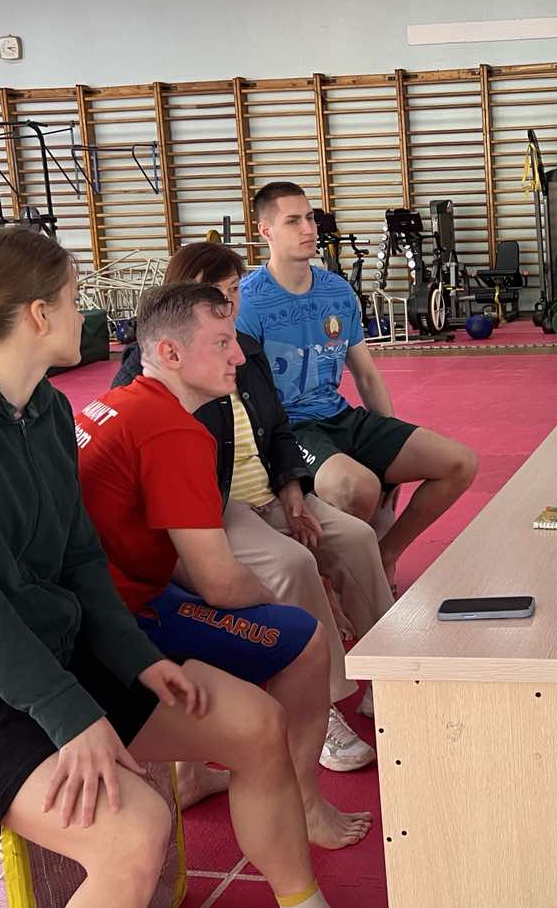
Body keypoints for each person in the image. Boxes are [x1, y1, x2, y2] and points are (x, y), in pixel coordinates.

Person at [0, 226, 387, 908]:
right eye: (76, 298)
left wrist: (138, 659)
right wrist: (71, 716)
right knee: (133, 833)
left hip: (51, 657)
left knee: (255, 724)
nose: (89, 314)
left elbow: (80, 561)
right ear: (39, 314)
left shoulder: (42, 410)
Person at [75, 281, 373, 850]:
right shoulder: (173, 430)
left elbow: (184, 564)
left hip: (100, 601)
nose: (239, 355)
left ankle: (192, 777)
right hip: (118, 622)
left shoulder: (114, 405)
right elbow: (219, 583)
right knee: (307, 638)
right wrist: (296, 605)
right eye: (221, 342)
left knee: (242, 614)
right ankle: (306, 804)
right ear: (170, 353)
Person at [113, 242, 393, 771]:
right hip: (220, 505)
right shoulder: (148, 376)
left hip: (269, 490)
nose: (231, 305)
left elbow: (279, 427)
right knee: (294, 565)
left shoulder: (244, 348)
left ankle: (389, 671)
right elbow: (169, 481)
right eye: (217, 294)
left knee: (356, 538)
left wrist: (292, 490)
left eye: (235, 291)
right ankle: (323, 706)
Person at [237, 181, 479, 588]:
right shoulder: (249, 301)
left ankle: (386, 554)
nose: (308, 229)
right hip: (289, 427)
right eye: (293, 221)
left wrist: (390, 446)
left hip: (339, 415)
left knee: (460, 463)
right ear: (266, 232)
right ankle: (337, 580)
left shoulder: (336, 291)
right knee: (359, 487)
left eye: (310, 218)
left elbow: (365, 373)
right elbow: (246, 396)